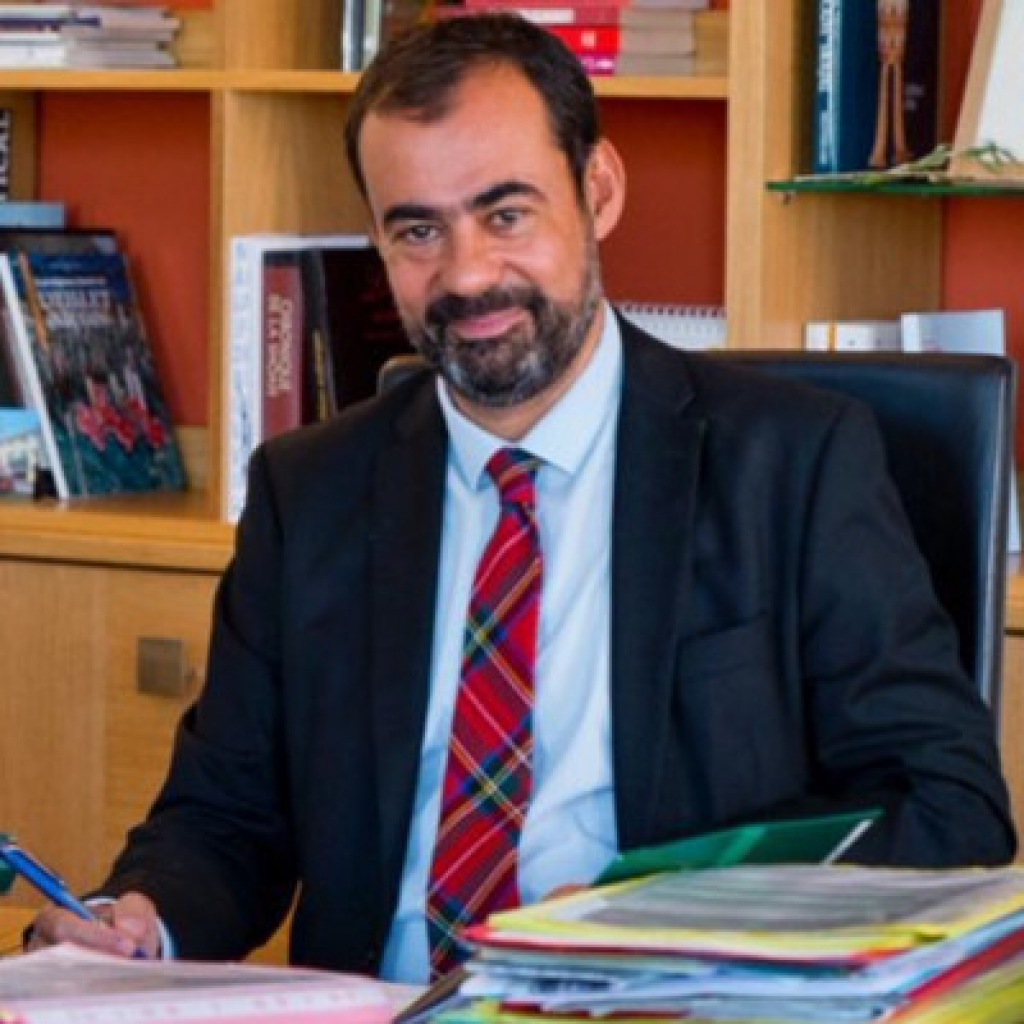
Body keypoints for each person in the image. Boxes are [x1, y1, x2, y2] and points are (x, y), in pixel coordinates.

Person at [30, 12, 1014, 981]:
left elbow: (946, 807)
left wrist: (686, 919)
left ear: (599, 190)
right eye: (419, 230)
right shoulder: (310, 491)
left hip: (664, 1005)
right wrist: (140, 919)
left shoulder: (791, 463)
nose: (467, 275)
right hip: (386, 1005)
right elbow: (223, 819)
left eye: (506, 215)